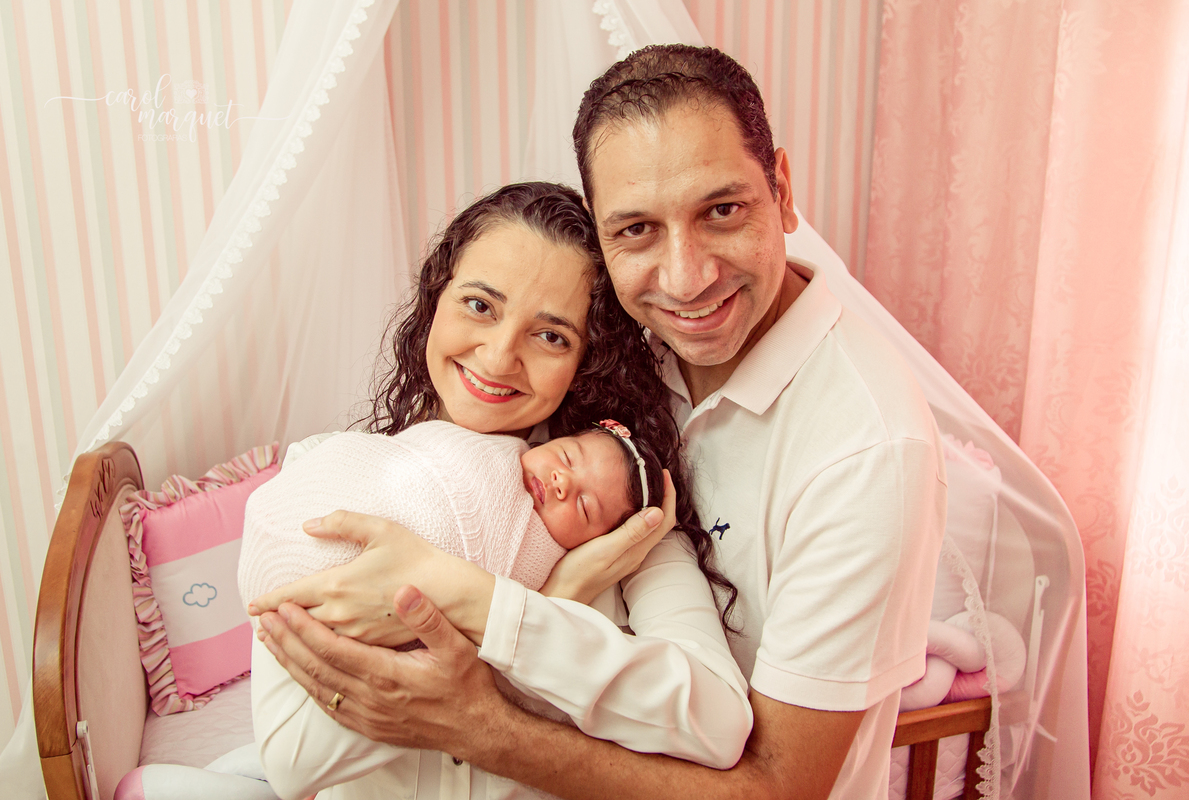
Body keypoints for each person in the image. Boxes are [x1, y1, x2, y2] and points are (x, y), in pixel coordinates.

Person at [253, 46, 947, 800]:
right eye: (637, 229)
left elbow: (775, 784)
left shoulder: (867, 449)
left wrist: (482, 692)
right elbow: (299, 754)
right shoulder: (619, 391)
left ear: (781, 190)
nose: (686, 278)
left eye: (722, 210)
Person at [247, 180, 751, 800]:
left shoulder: (616, 512)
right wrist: (554, 596)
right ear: (438, 298)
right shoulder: (328, 473)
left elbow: (718, 723)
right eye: (481, 305)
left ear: (588, 359)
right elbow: (292, 762)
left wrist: (505, 607)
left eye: (551, 336)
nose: (499, 355)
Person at [239, 419, 668, 613]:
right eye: (566, 456)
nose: (560, 482)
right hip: (309, 507)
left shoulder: (545, 558)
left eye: (584, 506)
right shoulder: (495, 448)